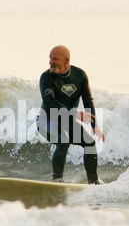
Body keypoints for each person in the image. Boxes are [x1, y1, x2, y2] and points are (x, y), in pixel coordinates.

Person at [36, 45, 105, 184]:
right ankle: (57, 179)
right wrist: (73, 114)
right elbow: (49, 102)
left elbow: (88, 101)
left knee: (90, 142)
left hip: (67, 121)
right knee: (64, 138)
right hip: (47, 119)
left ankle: (93, 182)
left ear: (66, 61)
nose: (51, 62)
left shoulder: (79, 76)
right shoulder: (46, 77)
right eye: (50, 58)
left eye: (55, 59)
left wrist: (94, 125)